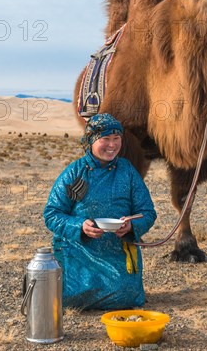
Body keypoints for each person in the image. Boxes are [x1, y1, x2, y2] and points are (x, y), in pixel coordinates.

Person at [43, 113, 157, 310]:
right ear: (91, 140)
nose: (112, 145)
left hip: (116, 250)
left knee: (126, 296)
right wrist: (79, 226)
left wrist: (131, 226)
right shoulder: (75, 173)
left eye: (116, 139)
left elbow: (147, 212)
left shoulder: (127, 171)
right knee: (69, 298)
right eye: (105, 139)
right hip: (79, 250)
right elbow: (52, 214)